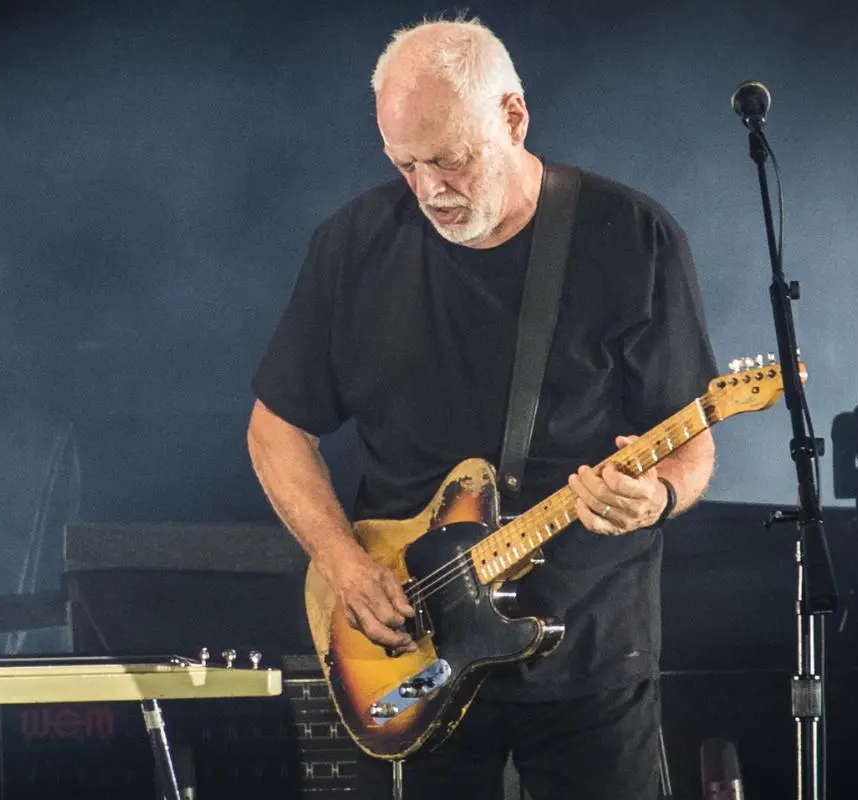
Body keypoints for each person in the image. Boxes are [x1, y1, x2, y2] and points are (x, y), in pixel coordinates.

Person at [247, 16, 717, 800]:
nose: (431, 188)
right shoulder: (354, 245)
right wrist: (342, 562)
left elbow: (691, 435)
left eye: (451, 159)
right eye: (407, 165)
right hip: (411, 650)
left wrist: (658, 495)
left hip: (590, 657)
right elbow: (277, 426)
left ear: (513, 117)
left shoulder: (632, 237)